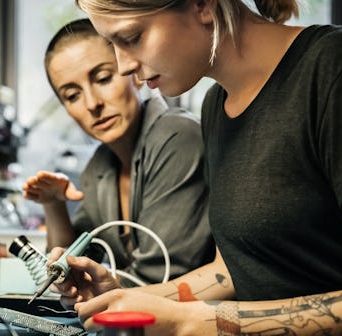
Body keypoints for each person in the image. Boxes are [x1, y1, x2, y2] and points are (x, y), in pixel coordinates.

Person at [48, 0, 342, 335]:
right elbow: (232, 271)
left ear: (202, 5)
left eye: (131, 37)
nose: (124, 64)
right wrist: (125, 298)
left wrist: (192, 323)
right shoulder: (216, 106)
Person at [22, 18, 215, 286]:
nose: (92, 104)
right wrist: (53, 205)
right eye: (72, 95)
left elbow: (161, 278)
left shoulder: (178, 136)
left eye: (102, 78)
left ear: (134, 72)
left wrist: (88, 288)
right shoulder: (99, 167)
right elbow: (64, 270)